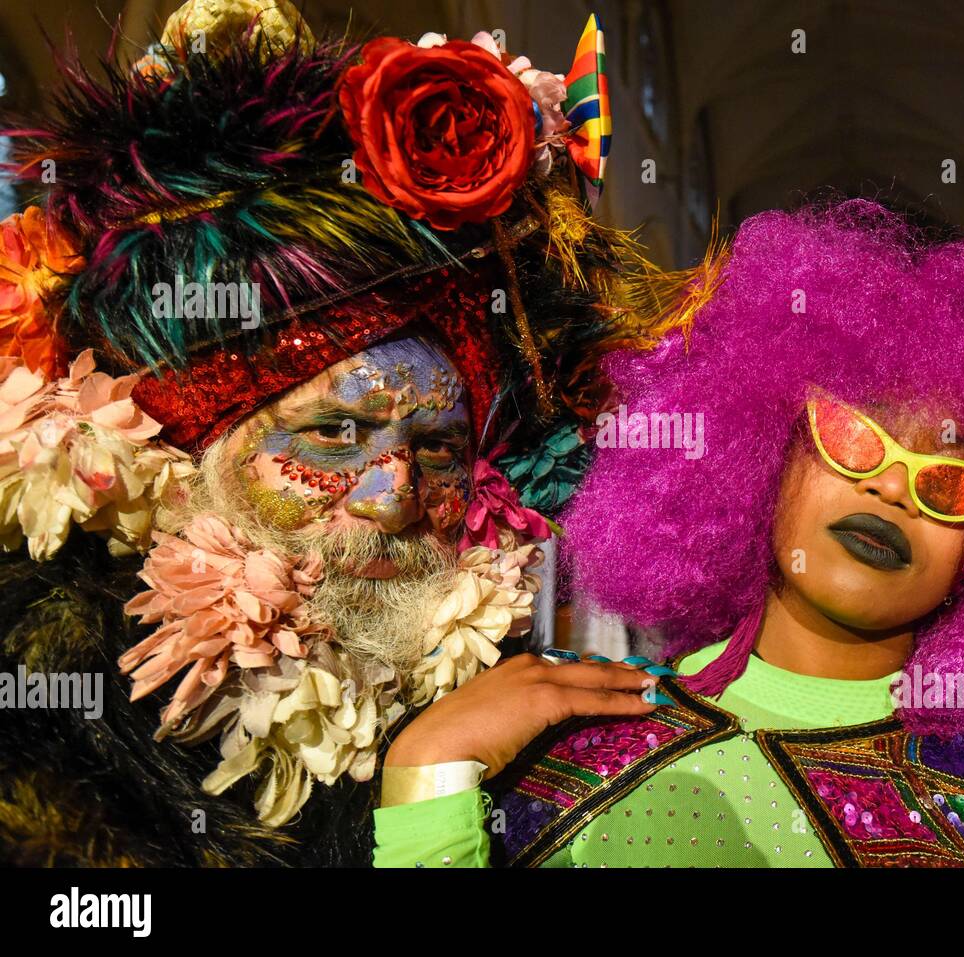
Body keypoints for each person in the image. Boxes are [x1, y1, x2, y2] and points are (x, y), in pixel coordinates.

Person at [373, 153, 964, 867]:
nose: (889, 488)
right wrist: (426, 785)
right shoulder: (558, 766)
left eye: (950, 482)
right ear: (755, 446)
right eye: (855, 436)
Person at [0, 0, 679, 866]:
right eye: (331, 434)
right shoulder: (57, 739)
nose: (395, 494)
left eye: (437, 449)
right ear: (190, 458)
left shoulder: (533, 720)